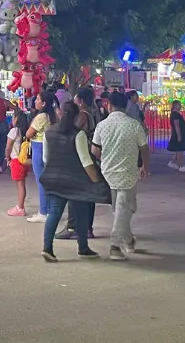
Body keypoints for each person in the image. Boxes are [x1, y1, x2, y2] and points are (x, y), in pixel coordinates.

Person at [40, 101, 108, 261]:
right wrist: (96, 182)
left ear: (59, 112)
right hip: (75, 181)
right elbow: (86, 162)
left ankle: (47, 248)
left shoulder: (48, 133)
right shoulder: (78, 134)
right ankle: (83, 248)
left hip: (54, 178)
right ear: (76, 116)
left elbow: (45, 158)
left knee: (54, 213)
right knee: (81, 214)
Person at [91, 91, 150, 260]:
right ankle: (115, 246)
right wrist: (145, 166)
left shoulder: (102, 125)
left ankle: (128, 240)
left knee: (119, 209)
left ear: (109, 105)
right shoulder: (134, 124)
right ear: (126, 106)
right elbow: (144, 148)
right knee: (124, 209)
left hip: (108, 172)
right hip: (128, 173)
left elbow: (95, 150)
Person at [25, 89, 59, 224]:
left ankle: (44, 211)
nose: (36, 101)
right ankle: (49, 209)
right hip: (49, 147)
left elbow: (29, 133)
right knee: (47, 180)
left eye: (38, 99)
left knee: (41, 180)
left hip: (39, 147)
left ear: (44, 103)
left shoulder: (41, 117)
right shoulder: (53, 116)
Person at [6, 108, 32, 216]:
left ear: (16, 119)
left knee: (20, 185)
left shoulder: (14, 131)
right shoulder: (27, 131)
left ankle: (20, 207)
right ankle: (20, 205)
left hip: (16, 160)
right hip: (24, 160)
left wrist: (7, 158)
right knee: (22, 184)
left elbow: (8, 147)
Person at [166, 100, 185, 172]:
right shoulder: (175, 115)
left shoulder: (175, 114)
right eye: (179, 105)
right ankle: (181, 165)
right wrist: (179, 135)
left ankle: (173, 162)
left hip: (177, 133)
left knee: (177, 150)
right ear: (175, 105)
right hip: (179, 133)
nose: (180, 106)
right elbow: (176, 125)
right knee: (180, 150)